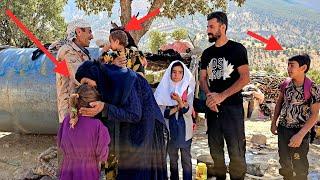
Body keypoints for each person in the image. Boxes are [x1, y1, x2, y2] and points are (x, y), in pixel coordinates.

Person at [75, 60, 168, 180]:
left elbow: (134, 114)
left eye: (86, 82)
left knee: (139, 169)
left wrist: (105, 107)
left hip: (146, 127)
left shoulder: (125, 79)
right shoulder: (104, 83)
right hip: (130, 128)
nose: (87, 87)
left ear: (93, 74)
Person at [199, 11, 250, 180]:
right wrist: (209, 96)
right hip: (213, 110)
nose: (208, 30)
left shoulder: (237, 49)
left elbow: (245, 78)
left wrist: (222, 96)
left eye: (211, 26)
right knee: (215, 151)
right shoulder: (207, 53)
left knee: (236, 152)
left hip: (233, 110)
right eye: (207, 26)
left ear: (223, 27)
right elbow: (202, 78)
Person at [271, 54, 320, 180]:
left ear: (303, 68)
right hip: (283, 129)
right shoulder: (286, 84)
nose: (288, 68)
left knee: (299, 165)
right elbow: (279, 103)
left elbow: (315, 115)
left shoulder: (313, 88)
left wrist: (300, 135)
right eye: (288, 65)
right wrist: (273, 122)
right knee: (285, 162)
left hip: (300, 131)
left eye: (292, 65)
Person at [57, 84, 110, 180]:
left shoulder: (66, 121)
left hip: (67, 171)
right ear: (93, 105)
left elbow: (60, 143)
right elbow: (102, 155)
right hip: (88, 173)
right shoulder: (98, 126)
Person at [154, 60, 195, 180]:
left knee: (186, 160)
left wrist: (178, 101)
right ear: (170, 73)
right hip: (171, 132)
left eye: (180, 72)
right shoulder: (164, 90)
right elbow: (163, 113)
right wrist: (179, 105)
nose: (176, 75)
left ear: (183, 74)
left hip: (185, 131)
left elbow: (188, 113)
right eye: (174, 72)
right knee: (172, 160)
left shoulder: (187, 90)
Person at [55, 19, 93, 123]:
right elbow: (79, 78)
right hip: (70, 112)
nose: (92, 36)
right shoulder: (68, 51)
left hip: (79, 109)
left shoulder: (82, 53)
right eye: (89, 31)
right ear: (79, 32)